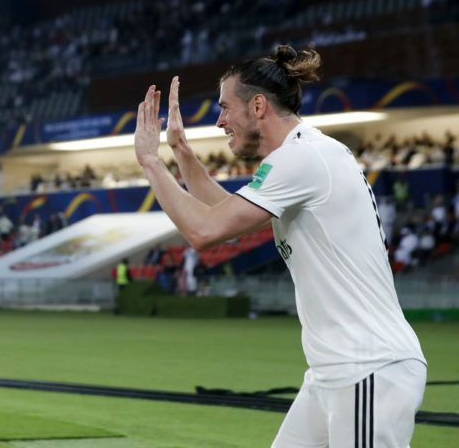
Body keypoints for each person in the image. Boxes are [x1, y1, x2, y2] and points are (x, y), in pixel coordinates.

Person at [133, 46, 426, 447]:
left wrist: (151, 162)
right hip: (332, 373)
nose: (219, 122)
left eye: (224, 108)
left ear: (257, 106)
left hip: (368, 367)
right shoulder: (302, 155)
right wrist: (181, 153)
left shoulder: (303, 158)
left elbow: (204, 231)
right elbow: (226, 215)